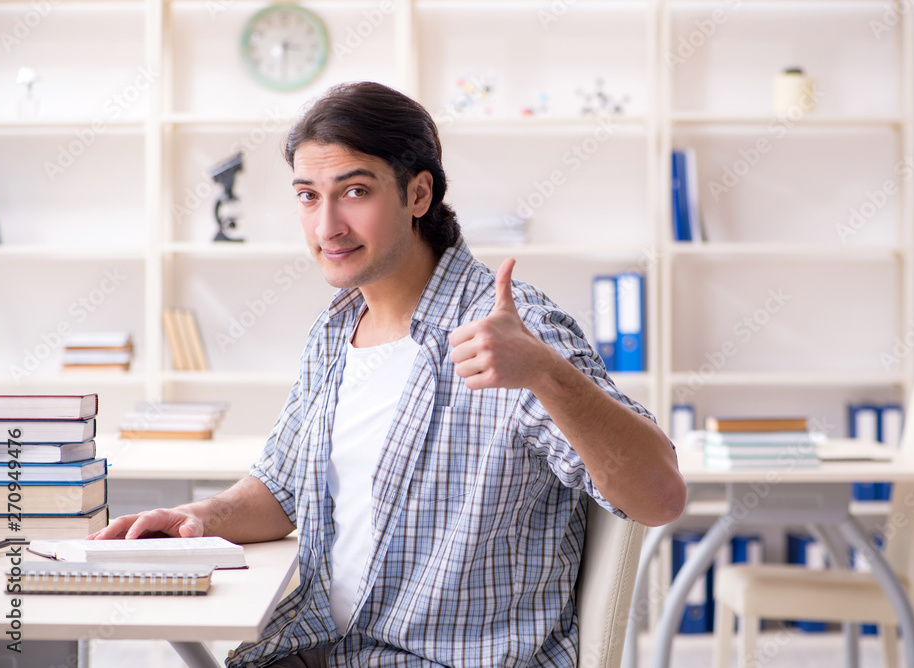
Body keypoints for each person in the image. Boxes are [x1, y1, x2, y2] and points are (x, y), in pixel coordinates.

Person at [91, 81, 686, 667]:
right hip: (317, 648)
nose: (327, 227)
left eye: (354, 191)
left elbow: (660, 497)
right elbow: (283, 489)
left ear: (418, 194)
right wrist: (199, 518)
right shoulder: (335, 330)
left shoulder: (515, 334)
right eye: (307, 196)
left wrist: (546, 375)